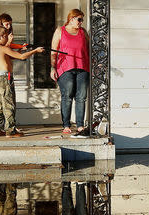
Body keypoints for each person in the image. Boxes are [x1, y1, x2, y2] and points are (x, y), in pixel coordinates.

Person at [0, 26, 44, 138]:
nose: (7, 39)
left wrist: (19, 49)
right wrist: (35, 50)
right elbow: (22, 57)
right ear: (0, 36)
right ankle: (10, 131)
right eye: (6, 36)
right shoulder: (3, 48)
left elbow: (10, 57)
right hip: (5, 78)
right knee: (9, 104)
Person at [50, 9, 90, 138]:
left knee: (81, 97)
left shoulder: (83, 32)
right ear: (71, 18)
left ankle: (79, 125)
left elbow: (89, 49)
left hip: (83, 67)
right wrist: (53, 68)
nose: (81, 22)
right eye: (79, 19)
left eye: (82, 20)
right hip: (65, 68)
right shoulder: (60, 31)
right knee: (67, 96)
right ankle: (66, 125)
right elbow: (53, 51)